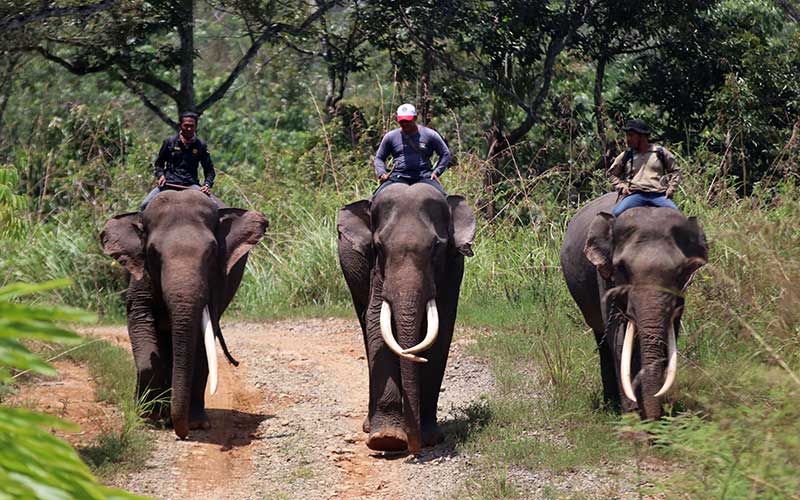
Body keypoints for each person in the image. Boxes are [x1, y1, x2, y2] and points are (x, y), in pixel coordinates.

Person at [140, 111, 216, 210]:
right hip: (169, 183)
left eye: (192, 126)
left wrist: (207, 185)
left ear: (196, 126)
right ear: (180, 125)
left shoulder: (200, 145)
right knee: (144, 205)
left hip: (191, 185)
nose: (189, 129)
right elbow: (159, 164)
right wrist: (161, 175)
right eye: (186, 125)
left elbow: (210, 170)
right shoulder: (169, 142)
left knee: (215, 207)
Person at [373, 103, 451, 196]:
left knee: (444, 199)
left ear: (415, 118)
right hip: (397, 176)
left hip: (424, 176)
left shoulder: (430, 134)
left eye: (407, 121)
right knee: (374, 199)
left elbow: (445, 153)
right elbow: (379, 158)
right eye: (402, 121)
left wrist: (436, 172)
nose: (405, 124)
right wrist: (382, 173)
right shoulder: (390, 136)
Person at [608, 119, 681, 217]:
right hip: (635, 194)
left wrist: (671, 188)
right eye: (627, 135)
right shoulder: (626, 155)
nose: (627, 139)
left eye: (631, 135)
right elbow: (611, 173)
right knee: (615, 214)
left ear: (641, 136)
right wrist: (621, 187)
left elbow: (676, 171)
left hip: (658, 195)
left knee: (678, 216)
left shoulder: (660, 152)